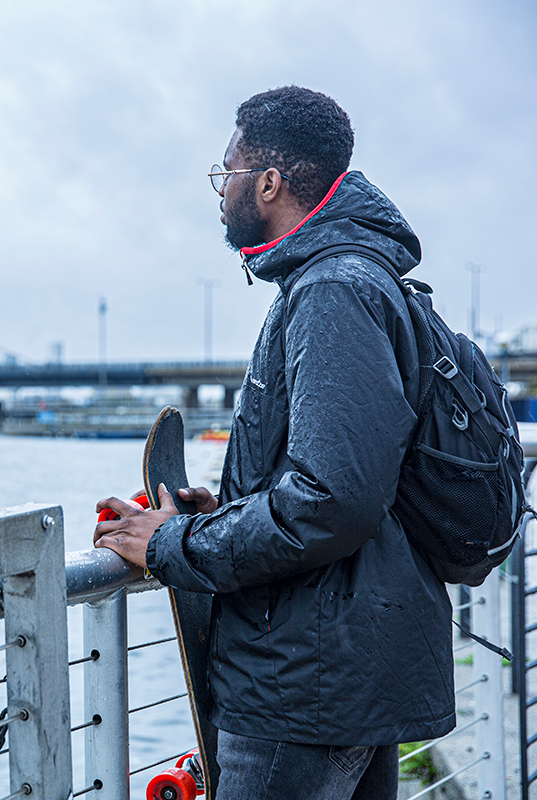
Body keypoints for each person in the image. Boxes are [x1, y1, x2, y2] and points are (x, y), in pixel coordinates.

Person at [93, 86, 453, 799]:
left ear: (267, 182)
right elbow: (355, 471)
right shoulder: (356, 277)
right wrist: (224, 508)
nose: (220, 190)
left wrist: (173, 546)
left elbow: (333, 500)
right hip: (345, 655)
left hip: (306, 676)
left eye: (224, 172)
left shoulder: (331, 290)